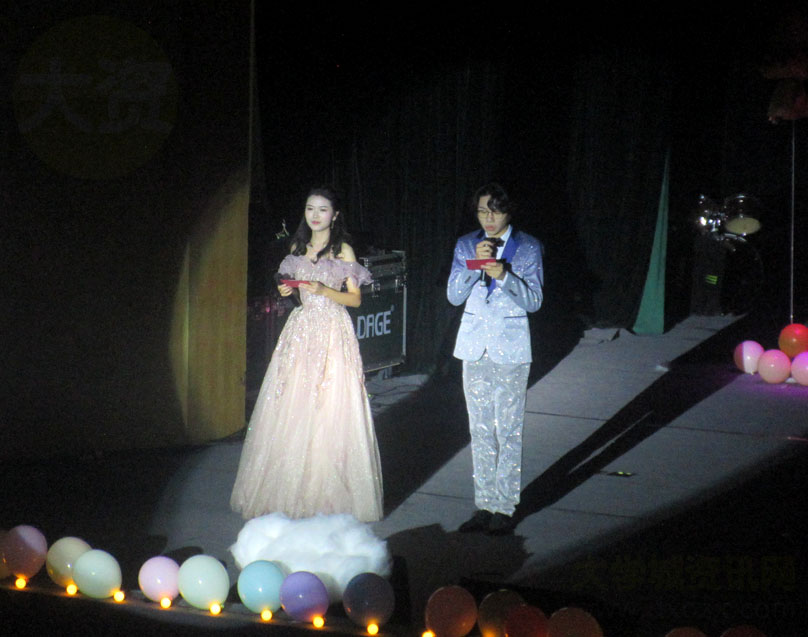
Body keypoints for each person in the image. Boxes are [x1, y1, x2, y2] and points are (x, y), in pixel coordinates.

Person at [230, 186, 383, 522]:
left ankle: (326, 493)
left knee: (330, 405)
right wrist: (287, 290)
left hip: (331, 329)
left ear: (335, 215)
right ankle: (289, 490)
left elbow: (355, 299)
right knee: (293, 404)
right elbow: (295, 293)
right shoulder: (297, 248)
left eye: (322, 209)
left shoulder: (342, 249)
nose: (315, 215)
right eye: (310, 208)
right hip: (300, 330)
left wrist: (324, 290)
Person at [447, 182, 544, 535]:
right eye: (482, 212)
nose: (488, 219)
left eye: (495, 211)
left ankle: (504, 506)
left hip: (511, 347)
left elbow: (534, 301)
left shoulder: (528, 247)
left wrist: (503, 275)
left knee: (508, 429)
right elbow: (454, 296)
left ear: (508, 211)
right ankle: (483, 505)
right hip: (474, 346)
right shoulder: (466, 244)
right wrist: (475, 265)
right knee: (480, 428)